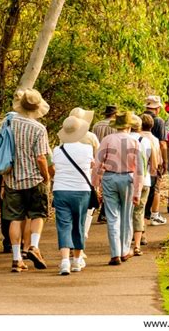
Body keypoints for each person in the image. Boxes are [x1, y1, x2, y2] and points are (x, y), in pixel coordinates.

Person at [3, 89, 51, 272]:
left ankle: (16, 259)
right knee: (37, 214)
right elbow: (41, 157)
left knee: (16, 218)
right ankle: (33, 246)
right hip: (33, 179)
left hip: (12, 179)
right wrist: (46, 178)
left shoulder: (7, 123)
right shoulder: (38, 128)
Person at [92, 111, 143, 265]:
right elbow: (140, 169)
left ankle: (115, 253)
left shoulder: (107, 139)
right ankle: (124, 250)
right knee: (127, 215)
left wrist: (95, 184)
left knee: (112, 216)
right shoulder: (135, 142)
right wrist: (137, 191)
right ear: (129, 126)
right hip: (127, 178)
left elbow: (97, 162)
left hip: (109, 177)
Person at [53, 116, 93, 275]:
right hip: (82, 190)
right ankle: (76, 260)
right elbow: (91, 165)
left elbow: (55, 167)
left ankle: (64, 261)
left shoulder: (57, 150)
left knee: (63, 225)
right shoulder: (87, 149)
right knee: (79, 224)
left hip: (61, 189)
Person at [69, 107, 99, 261]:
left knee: (71, 213)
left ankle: (71, 243)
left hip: (67, 179)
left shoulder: (64, 136)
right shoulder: (91, 137)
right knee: (87, 212)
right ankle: (80, 243)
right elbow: (97, 159)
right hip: (86, 179)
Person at [143, 96, 168, 225]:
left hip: (138, 157)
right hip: (154, 158)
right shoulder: (159, 121)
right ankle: (154, 214)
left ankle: (141, 214)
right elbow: (163, 143)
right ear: (157, 108)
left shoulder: (138, 119)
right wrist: (165, 161)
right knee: (156, 187)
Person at [129, 114, 151, 255]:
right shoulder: (146, 141)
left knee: (125, 212)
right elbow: (151, 161)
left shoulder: (123, 139)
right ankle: (137, 244)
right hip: (144, 179)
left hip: (127, 179)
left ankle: (124, 244)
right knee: (139, 212)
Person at [92, 105, 117, 224]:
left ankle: (95, 211)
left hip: (97, 156)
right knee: (108, 187)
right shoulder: (115, 126)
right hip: (110, 158)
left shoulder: (96, 125)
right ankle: (103, 213)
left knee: (98, 185)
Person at [139, 114, 166, 226]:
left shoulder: (134, 137)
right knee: (153, 193)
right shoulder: (154, 139)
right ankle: (152, 215)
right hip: (150, 173)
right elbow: (156, 157)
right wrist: (163, 162)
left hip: (135, 172)